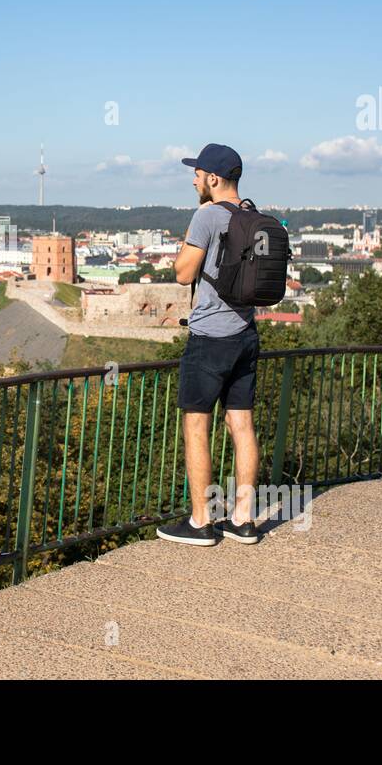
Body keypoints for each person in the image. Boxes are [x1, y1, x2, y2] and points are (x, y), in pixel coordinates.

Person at [156, 143, 262, 546]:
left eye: (198, 173)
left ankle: (202, 521)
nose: (194, 179)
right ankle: (244, 519)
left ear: (213, 178)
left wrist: (180, 256)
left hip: (210, 337)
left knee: (196, 425)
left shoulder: (207, 215)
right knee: (242, 425)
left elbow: (184, 274)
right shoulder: (252, 216)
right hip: (246, 334)